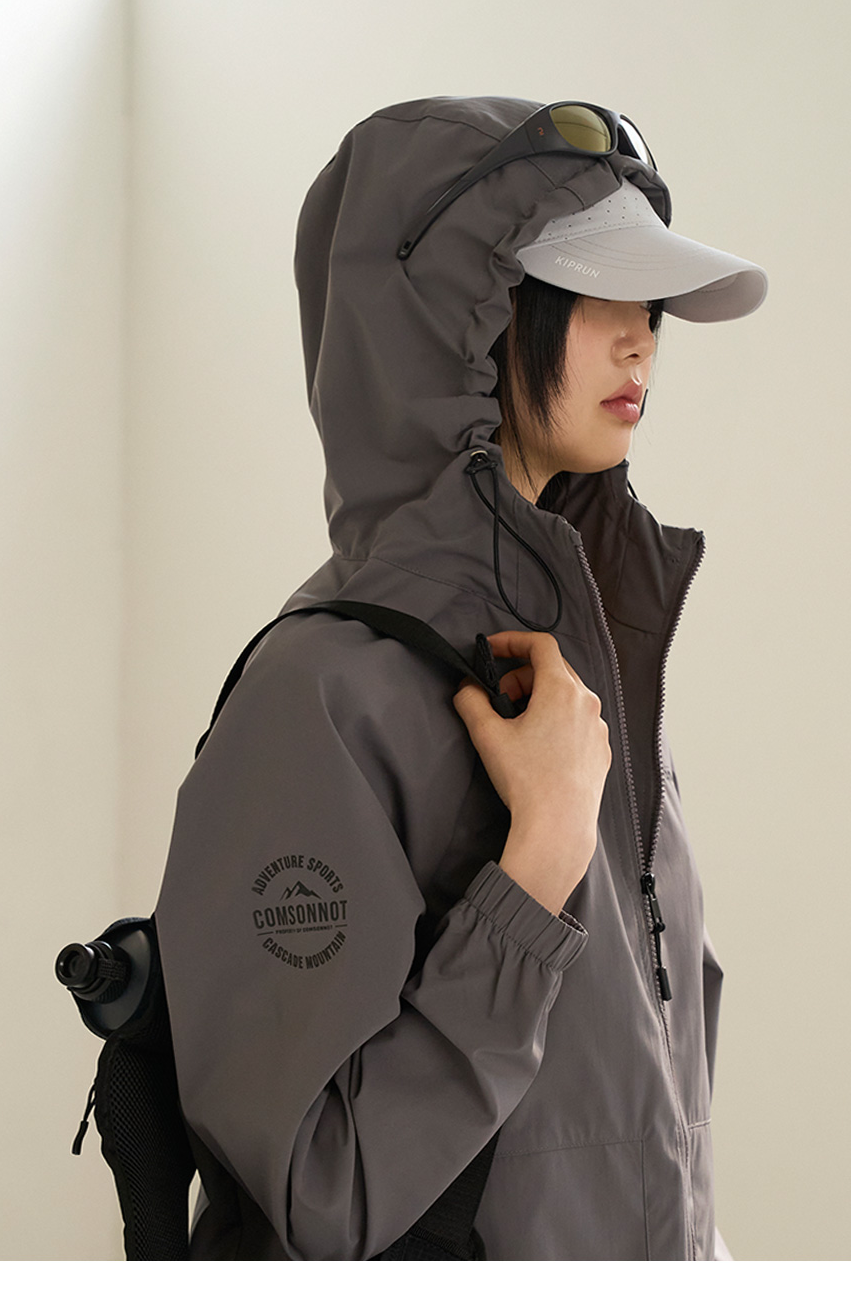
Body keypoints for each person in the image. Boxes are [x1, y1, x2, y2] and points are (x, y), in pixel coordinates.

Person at [154, 96, 767, 1261]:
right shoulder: (321, 697)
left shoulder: (586, 674)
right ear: (451, 323)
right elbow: (315, 1204)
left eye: (649, 303)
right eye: (589, 292)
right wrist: (535, 867)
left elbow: (640, 1095)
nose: (640, 339)